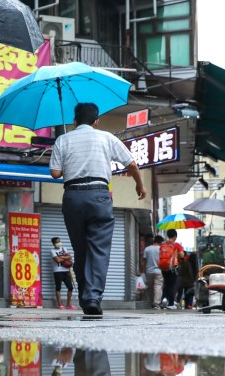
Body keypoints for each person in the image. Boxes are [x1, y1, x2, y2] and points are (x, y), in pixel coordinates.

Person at [49, 102, 146, 316]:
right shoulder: (106, 137)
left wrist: (69, 162)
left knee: (81, 250)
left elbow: (55, 173)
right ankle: (92, 297)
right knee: (99, 251)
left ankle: (87, 297)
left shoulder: (62, 140)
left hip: (73, 197)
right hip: (99, 196)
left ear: (74, 121)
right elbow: (131, 164)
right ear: (96, 121)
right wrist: (139, 185)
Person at [160, 229, 186, 310]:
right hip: (173, 267)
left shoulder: (163, 244)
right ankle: (171, 303)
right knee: (172, 285)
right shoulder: (177, 245)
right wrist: (178, 254)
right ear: (175, 236)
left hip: (164, 267)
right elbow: (182, 255)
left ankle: (164, 299)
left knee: (166, 284)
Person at [50, 237, 76, 309]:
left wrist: (61, 257)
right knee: (58, 287)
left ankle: (68, 304)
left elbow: (69, 256)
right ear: (54, 243)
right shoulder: (52, 251)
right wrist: (65, 257)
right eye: (57, 242)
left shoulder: (64, 249)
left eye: (59, 241)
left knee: (70, 287)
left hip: (66, 271)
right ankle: (60, 304)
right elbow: (57, 260)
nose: (59, 243)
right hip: (57, 271)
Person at [140, 235, 164, 309]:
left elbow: (144, 261)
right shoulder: (161, 249)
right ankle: (156, 303)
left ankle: (151, 302)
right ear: (160, 242)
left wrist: (142, 271)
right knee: (158, 286)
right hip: (159, 271)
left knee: (150, 288)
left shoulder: (147, 249)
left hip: (149, 271)